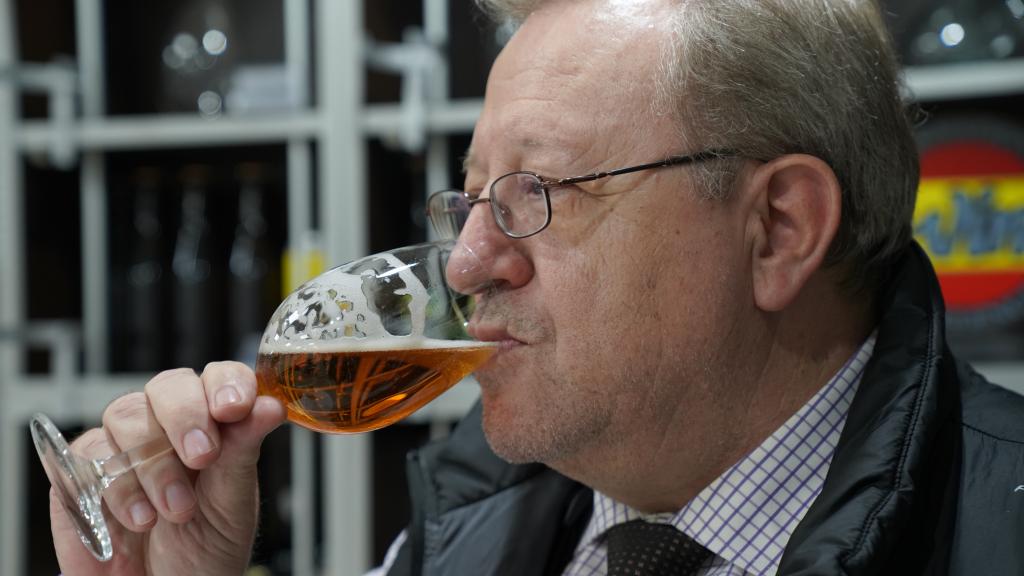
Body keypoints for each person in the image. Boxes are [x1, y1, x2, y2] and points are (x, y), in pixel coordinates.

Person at [50, 0, 1024, 574]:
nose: (468, 265)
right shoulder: (457, 538)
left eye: (539, 193)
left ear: (777, 230)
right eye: (471, 198)